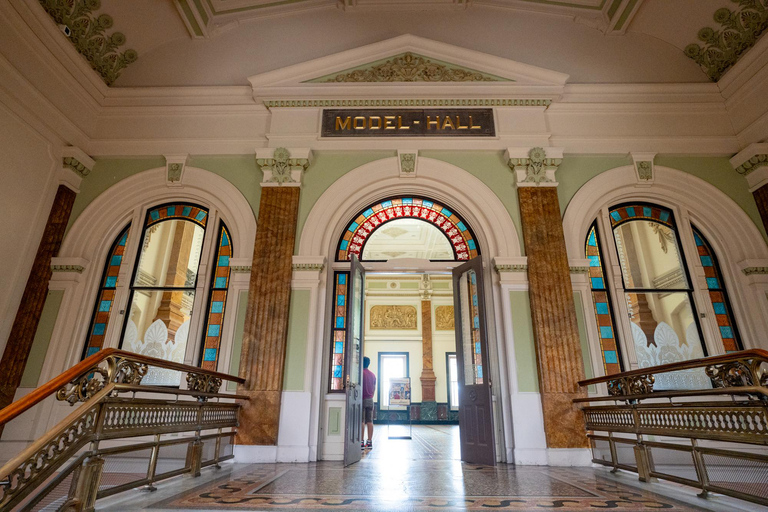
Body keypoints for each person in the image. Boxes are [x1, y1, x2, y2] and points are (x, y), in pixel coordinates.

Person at [361, 356, 376, 449]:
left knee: (361, 421)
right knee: (370, 421)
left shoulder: (360, 373)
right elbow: (374, 388)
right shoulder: (372, 375)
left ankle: (361, 442)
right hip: (370, 399)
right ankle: (369, 442)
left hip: (362, 399)